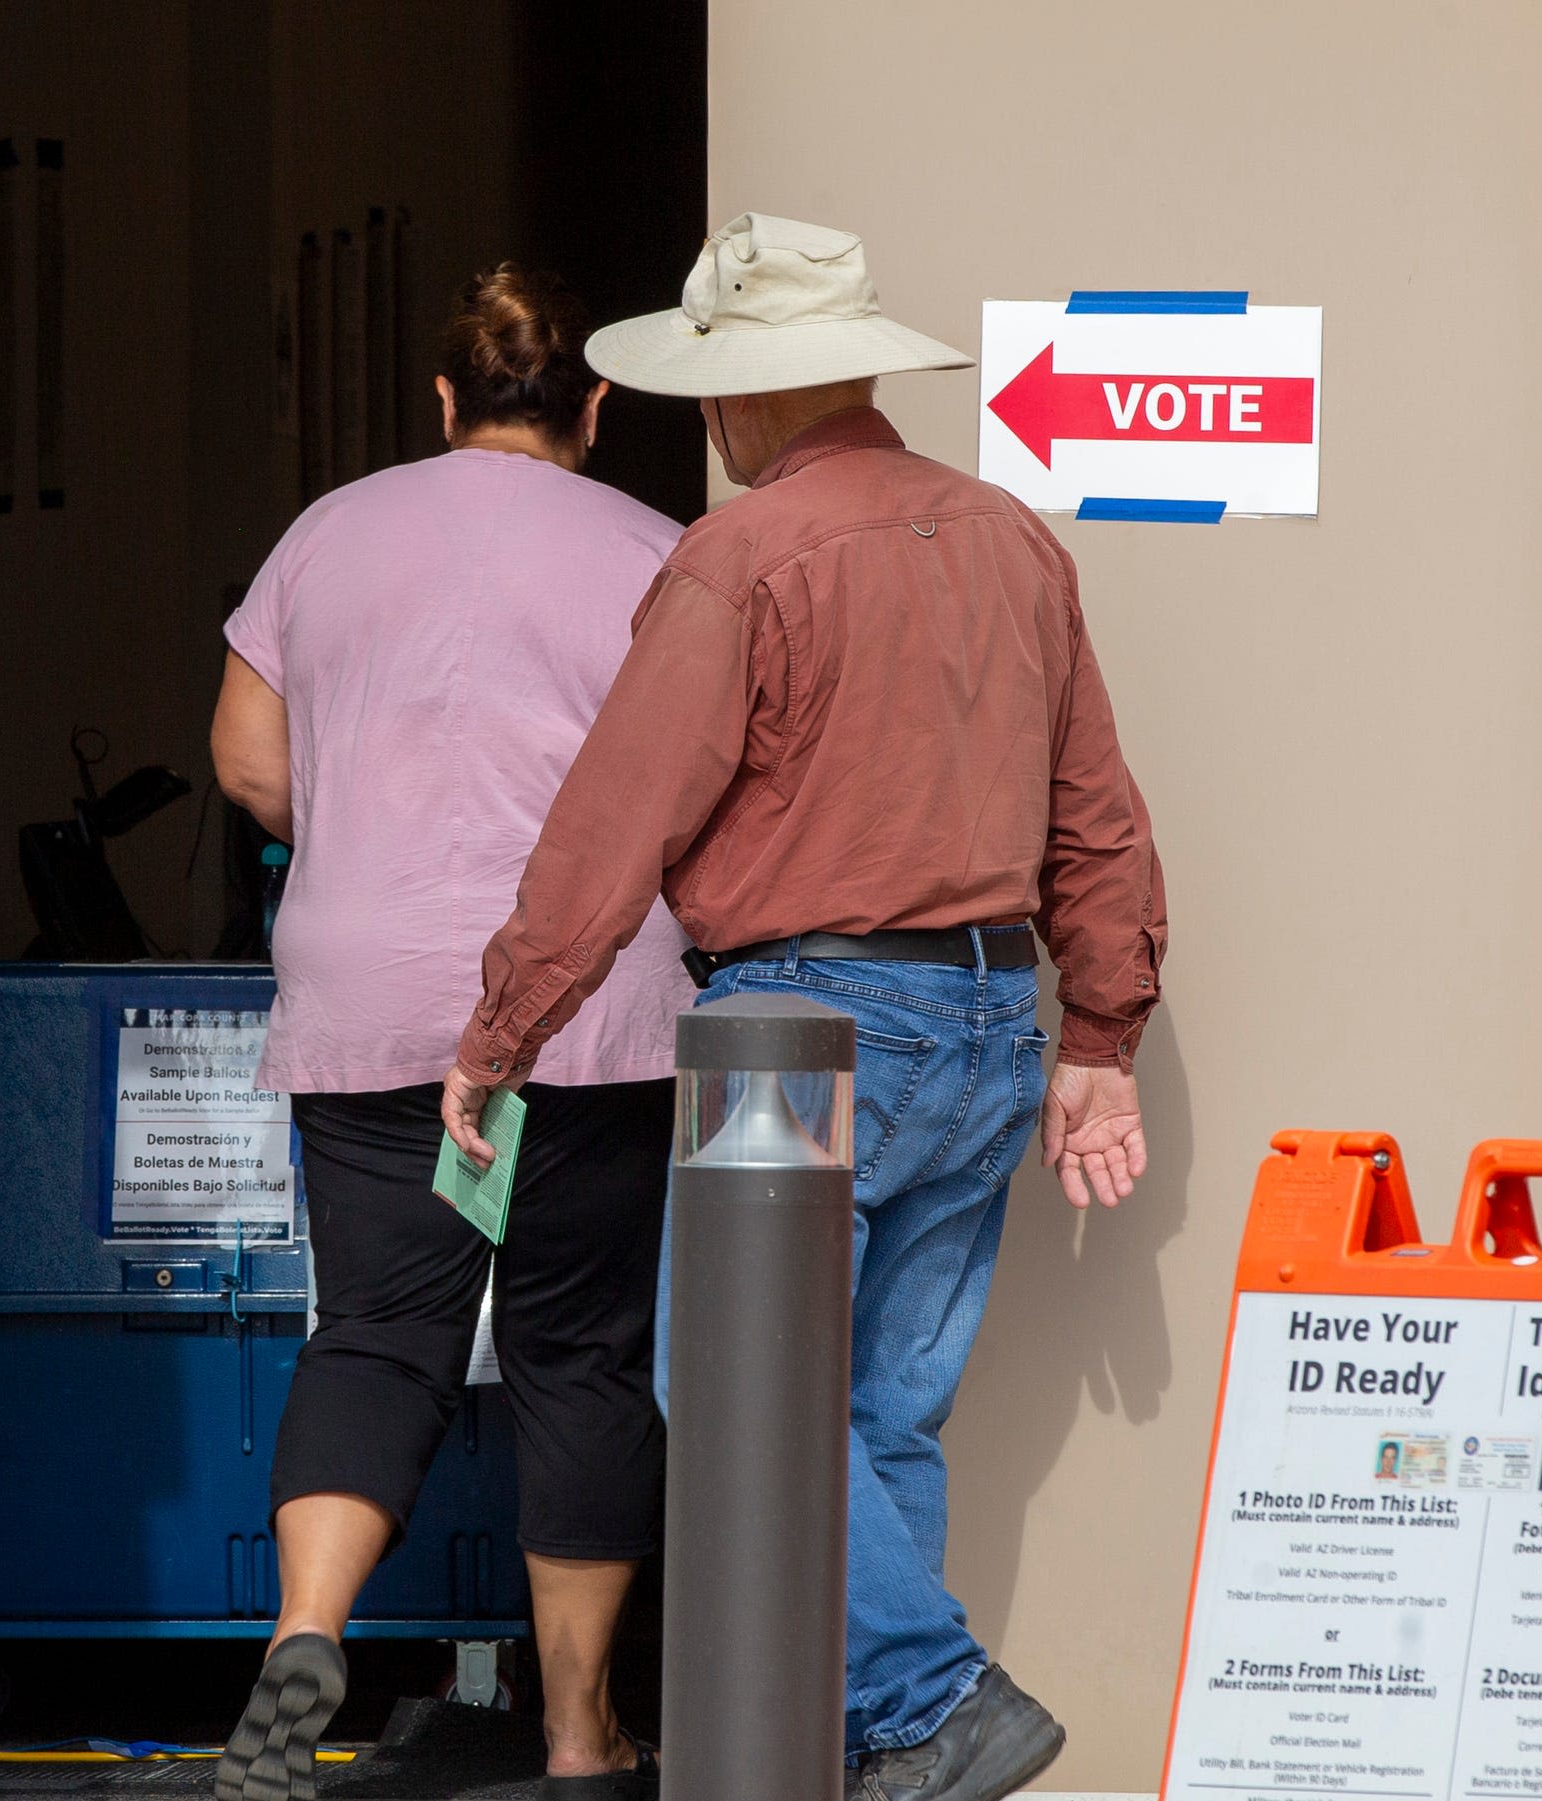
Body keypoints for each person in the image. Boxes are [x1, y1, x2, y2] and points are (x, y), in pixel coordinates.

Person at [442, 214, 1168, 1801]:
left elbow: (613, 821)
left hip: (799, 1027)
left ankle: (927, 1701)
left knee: (734, 1382)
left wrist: (503, 1033)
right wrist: (1098, 1042)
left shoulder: (743, 557)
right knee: (887, 1413)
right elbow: (1097, 820)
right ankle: (868, 1755)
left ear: (747, 395)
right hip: (989, 1021)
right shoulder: (1011, 539)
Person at [208, 265, 690, 1801]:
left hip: (376, 1002)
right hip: (590, 1019)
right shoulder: (658, 554)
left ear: (441, 399)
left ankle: (305, 1629)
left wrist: (359, 821)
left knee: (378, 1336)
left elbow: (245, 762)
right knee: (581, 1355)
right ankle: (576, 1730)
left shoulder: (329, 534)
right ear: (594, 410)